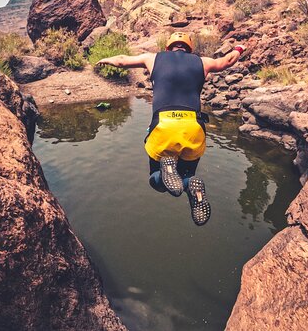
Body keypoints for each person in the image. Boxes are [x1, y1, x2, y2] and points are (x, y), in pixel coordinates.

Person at [96, 32, 246, 226]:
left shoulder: (152, 58)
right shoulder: (203, 62)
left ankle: (166, 168)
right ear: (189, 49)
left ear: (168, 47)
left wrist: (106, 59)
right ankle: (194, 190)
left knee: (157, 181)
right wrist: (239, 49)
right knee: (188, 176)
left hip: (163, 126)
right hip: (193, 126)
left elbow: (123, 60)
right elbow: (227, 61)